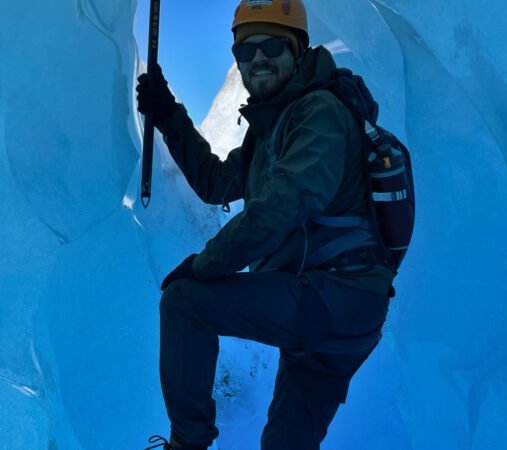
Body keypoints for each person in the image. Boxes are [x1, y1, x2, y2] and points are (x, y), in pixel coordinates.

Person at [137, 1, 396, 449]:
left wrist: (203, 265)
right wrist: (168, 115)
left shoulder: (319, 113)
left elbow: (286, 203)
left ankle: (188, 445)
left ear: (298, 50)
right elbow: (216, 182)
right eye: (246, 50)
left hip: (335, 296)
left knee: (184, 302)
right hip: (333, 314)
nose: (257, 60)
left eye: (272, 46)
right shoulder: (271, 132)